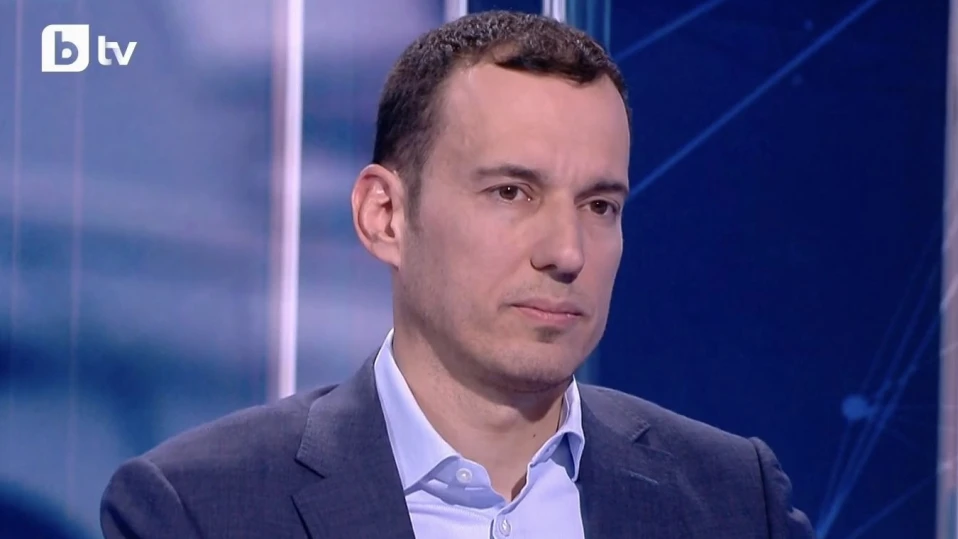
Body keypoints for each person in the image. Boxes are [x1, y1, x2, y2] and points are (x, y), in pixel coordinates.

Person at [101, 10, 813, 539]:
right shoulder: (200, 508)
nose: (567, 251)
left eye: (599, 205)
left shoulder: (733, 500)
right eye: (512, 192)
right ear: (384, 215)